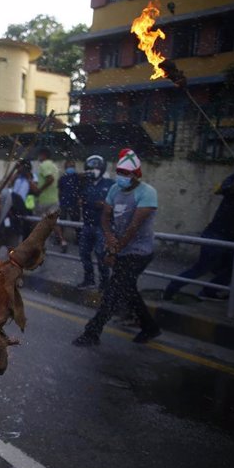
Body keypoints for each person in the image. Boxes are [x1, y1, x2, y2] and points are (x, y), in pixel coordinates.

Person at [72, 148, 160, 346]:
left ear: (136, 174)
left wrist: (113, 249)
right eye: (120, 172)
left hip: (139, 252)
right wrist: (110, 237)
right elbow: (105, 217)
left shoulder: (147, 193)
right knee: (127, 289)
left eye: (126, 174)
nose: (122, 177)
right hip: (120, 248)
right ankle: (150, 327)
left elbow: (133, 228)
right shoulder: (114, 190)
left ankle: (92, 332)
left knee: (112, 291)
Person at [163, 154, 234, 300]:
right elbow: (222, 189)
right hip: (218, 232)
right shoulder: (233, 181)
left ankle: (209, 291)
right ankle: (172, 287)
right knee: (202, 267)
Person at [77, 155, 114, 290]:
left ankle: (104, 282)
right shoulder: (85, 184)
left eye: (95, 167)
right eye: (90, 168)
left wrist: (105, 205)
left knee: (101, 255)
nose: (93, 170)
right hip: (87, 225)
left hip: (102, 227)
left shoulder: (110, 184)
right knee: (84, 253)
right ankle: (89, 280)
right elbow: (80, 199)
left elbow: (115, 204)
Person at [31, 147, 67, 252]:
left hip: (44, 199)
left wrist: (40, 190)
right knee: (53, 222)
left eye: (39, 155)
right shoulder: (54, 166)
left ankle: (37, 245)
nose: (39, 158)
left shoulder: (44, 165)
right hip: (54, 198)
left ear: (43, 155)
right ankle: (62, 241)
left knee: (37, 222)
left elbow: (50, 179)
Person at [58, 159, 81, 225]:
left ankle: (78, 235)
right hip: (64, 203)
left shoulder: (78, 177)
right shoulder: (62, 178)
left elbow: (81, 189)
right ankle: (60, 235)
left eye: (72, 166)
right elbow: (60, 190)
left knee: (76, 223)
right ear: (65, 167)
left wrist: (80, 199)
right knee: (62, 222)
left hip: (75, 203)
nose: (71, 168)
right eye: (69, 166)